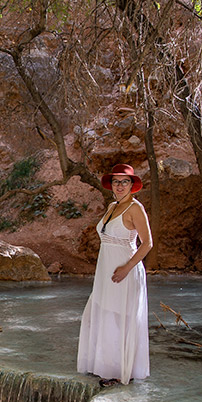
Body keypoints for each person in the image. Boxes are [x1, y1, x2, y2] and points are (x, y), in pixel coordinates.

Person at [77, 164, 153, 386]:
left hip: (125, 271)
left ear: (132, 185)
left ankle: (121, 371)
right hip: (105, 270)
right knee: (103, 312)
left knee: (120, 317)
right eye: (116, 182)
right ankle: (105, 366)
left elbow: (148, 243)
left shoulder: (135, 209)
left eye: (125, 181)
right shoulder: (111, 206)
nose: (120, 186)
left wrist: (127, 267)